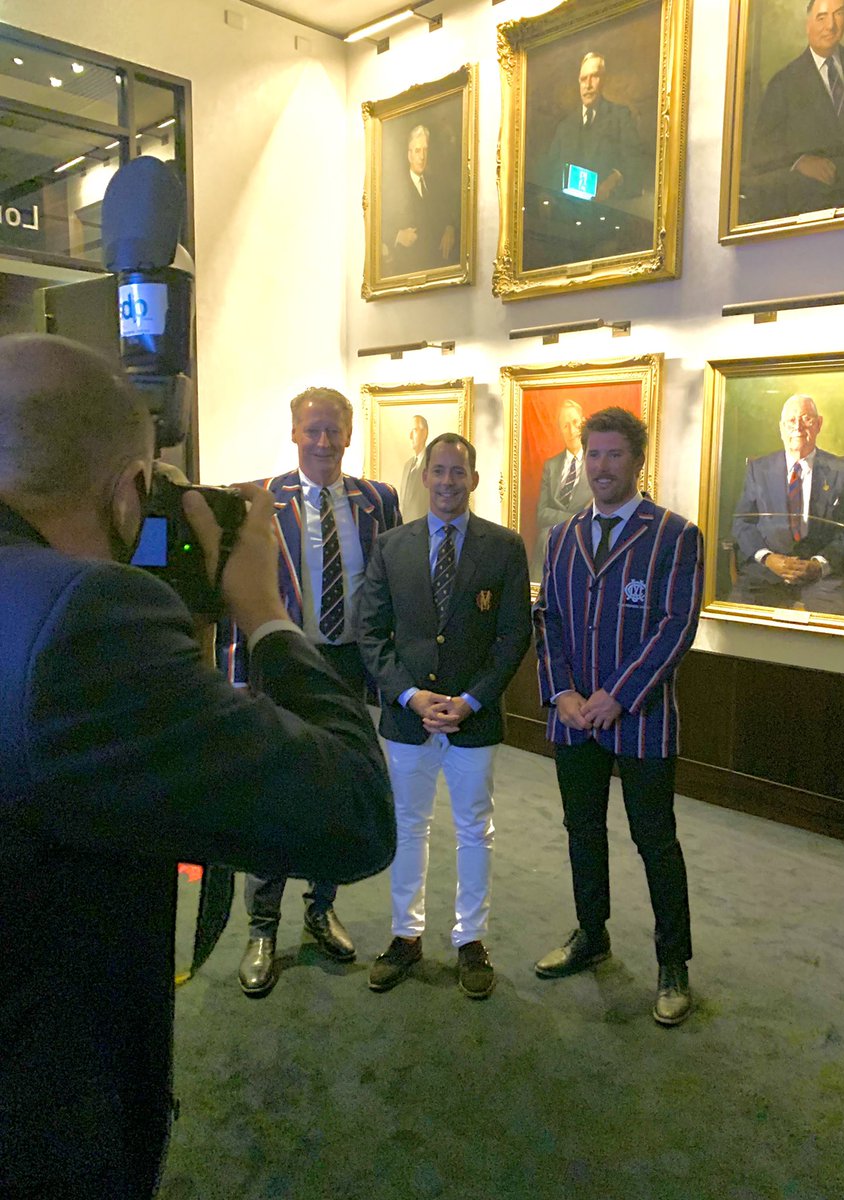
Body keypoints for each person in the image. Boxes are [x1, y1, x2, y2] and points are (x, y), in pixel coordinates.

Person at [0, 335, 395, 1198]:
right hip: (39, 1123)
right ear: (130, 492)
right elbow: (355, 813)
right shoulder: (83, 618)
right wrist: (261, 610)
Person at [220, 386, 401, 998]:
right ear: (294, 432)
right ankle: (262, 927)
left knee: (336, 788)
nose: (323, 442)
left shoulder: (379, 502)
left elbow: (392, 589)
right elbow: (235, 597)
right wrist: (238, 679)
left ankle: (320, 909)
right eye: (312, 430)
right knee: (271, 791)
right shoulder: (260, 503)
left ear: (350, 434)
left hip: (348, 669)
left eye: (334, 431)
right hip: (282, 665)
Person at [532, 407, 703, 1027]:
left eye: (614, 456)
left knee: (655, 841)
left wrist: (619, 696)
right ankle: (591, 933)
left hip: (641, 721)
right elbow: (546, 618)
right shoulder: (562, 536)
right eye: (594, 455)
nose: (602, 468)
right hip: (575, 718)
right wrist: (562, 694)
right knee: (583, 832)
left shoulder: (675, 535)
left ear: (637, 461)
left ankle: (673, 962)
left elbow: (675, 624)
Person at [358, 433, 532, 999]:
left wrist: (472, 700)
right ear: (425, 476)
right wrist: (409, 696)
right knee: (408, 827)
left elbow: (513, 636)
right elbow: (371, 632)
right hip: (408, 718)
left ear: (474, 480)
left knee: (473, 830)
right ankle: (405, 937)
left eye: (460, 472)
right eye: (439, 471)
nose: (449, 482)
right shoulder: (391, 546)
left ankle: (470, 941)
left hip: (473, 719)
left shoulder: (504, 547)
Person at [744, 0, 844, 221]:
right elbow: (760, 151)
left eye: (838, 14)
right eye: (821, 17)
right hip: (815, 201)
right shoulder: (784, 82)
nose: (831, 26)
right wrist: (798, 161)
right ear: (808, 24)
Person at [730, 393, 844, 615]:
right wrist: (768, 559)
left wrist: (818, 565)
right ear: (781, 427)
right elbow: (742, 524)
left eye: (807, 419)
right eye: (791, 421)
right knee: (735, 617)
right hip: (766, 575)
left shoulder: (843, 471)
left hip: (823, 579)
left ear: (819, 424)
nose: (798, 426)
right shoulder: (758, 469)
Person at [545, 52, 643, 206]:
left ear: (604, 80)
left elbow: (635, 164)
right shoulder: (564, 126)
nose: (588, 85)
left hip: (608, 211)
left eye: (594, 76)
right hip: (566, 214)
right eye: (583, 79)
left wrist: (612, 181)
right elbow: (549, 172)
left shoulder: (621, 117)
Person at [382, 124, 457, 274]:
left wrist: (450, 227)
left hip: (438, 267)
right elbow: (377, 225)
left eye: (425, 150)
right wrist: (397, 235)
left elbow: (450, 209)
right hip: (408, 269)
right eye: (417, 151)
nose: (422, 157)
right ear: (409, 155)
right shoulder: (394, 189)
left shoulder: (435, 184)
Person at [531, 398, 592, 577]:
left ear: (583, 423)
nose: (572, 430)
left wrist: (559, 518)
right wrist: (575, 517)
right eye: (565, 426)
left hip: (584, 546)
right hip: (546, 548)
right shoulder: (551, 465)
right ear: (560, 431)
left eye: (575, 423)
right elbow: (541, 514)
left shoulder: (596, 464)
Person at [399, 413, 430, 521]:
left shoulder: (431, 464)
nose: (410, 436)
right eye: (410, 431)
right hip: (405, 529)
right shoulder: (407, 465)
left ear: (425, 433)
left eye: (415, 430)